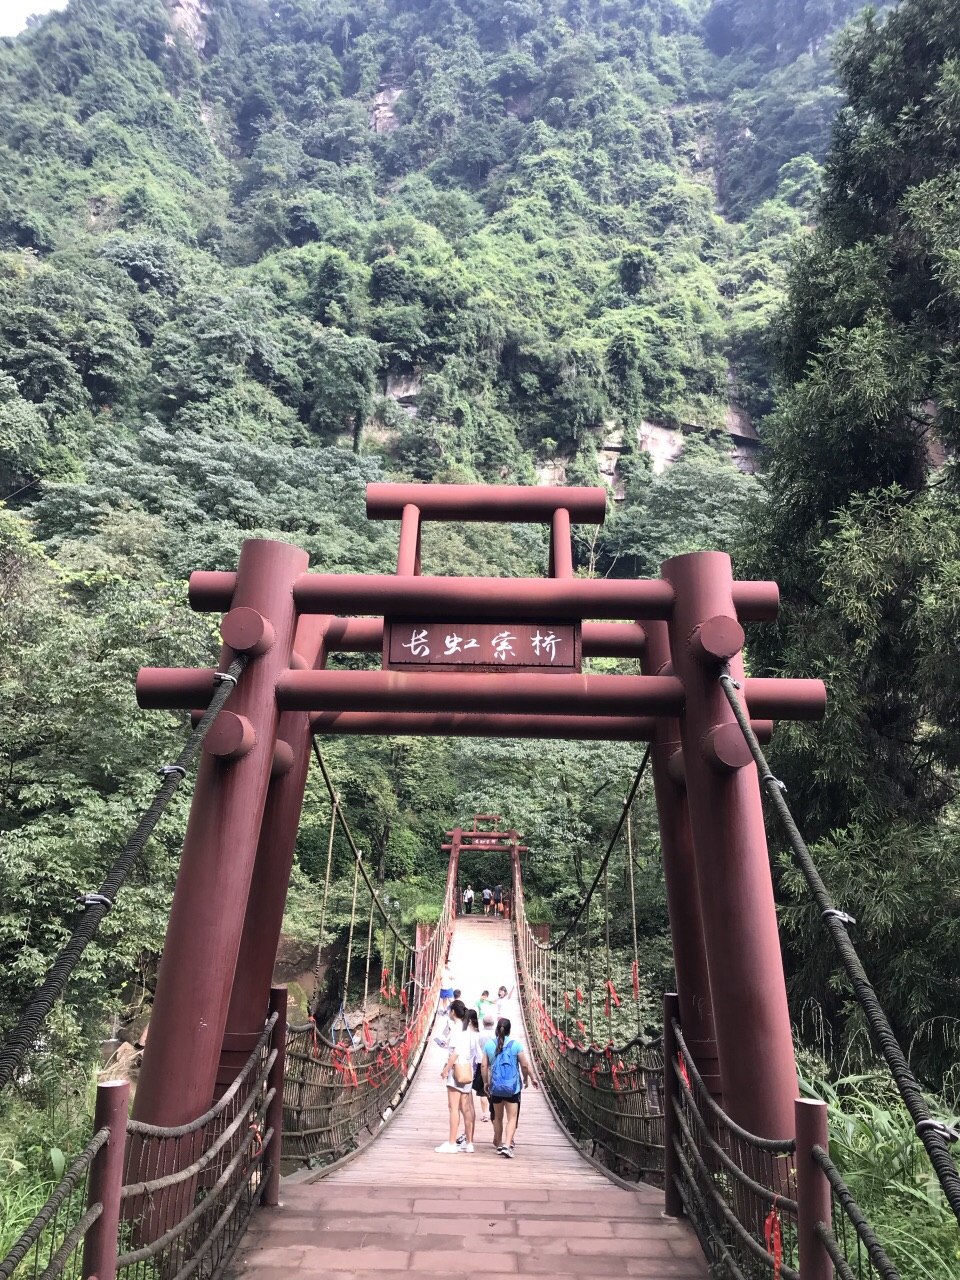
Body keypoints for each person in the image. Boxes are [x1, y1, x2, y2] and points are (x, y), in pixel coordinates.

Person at [482, 1016, 538, 1157]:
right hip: (513, 1088)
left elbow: (484, 1065)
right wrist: (529, 1078)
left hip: (496, 1087)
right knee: (512, 1118)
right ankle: (507, 1145)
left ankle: (499, 1145)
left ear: (497, 1029)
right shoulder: (516, 1045)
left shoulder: (489, 1045)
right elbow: (525, 1065)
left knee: (498, 1118)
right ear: (509, 1031)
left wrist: (485, 1082)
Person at [436, 1000, 479, 1154]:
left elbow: (456, 1052)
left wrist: (446, 1070)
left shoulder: (455, 1028)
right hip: (468, 1070)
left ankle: (452, 1143)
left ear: (453, 1012)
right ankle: (469, 1143)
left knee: (453, 1108)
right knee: (466, 1108)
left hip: (457, 1070)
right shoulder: (468, 1029)